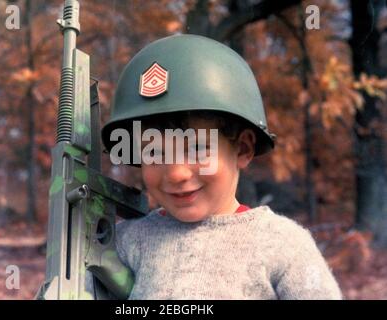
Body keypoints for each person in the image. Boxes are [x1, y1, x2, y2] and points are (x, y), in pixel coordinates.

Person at [100, 34, 343, 299]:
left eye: (197, 148)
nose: (176, 173)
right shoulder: (123, 243)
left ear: (243, 148)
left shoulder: (282, 244)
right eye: (155, 153)